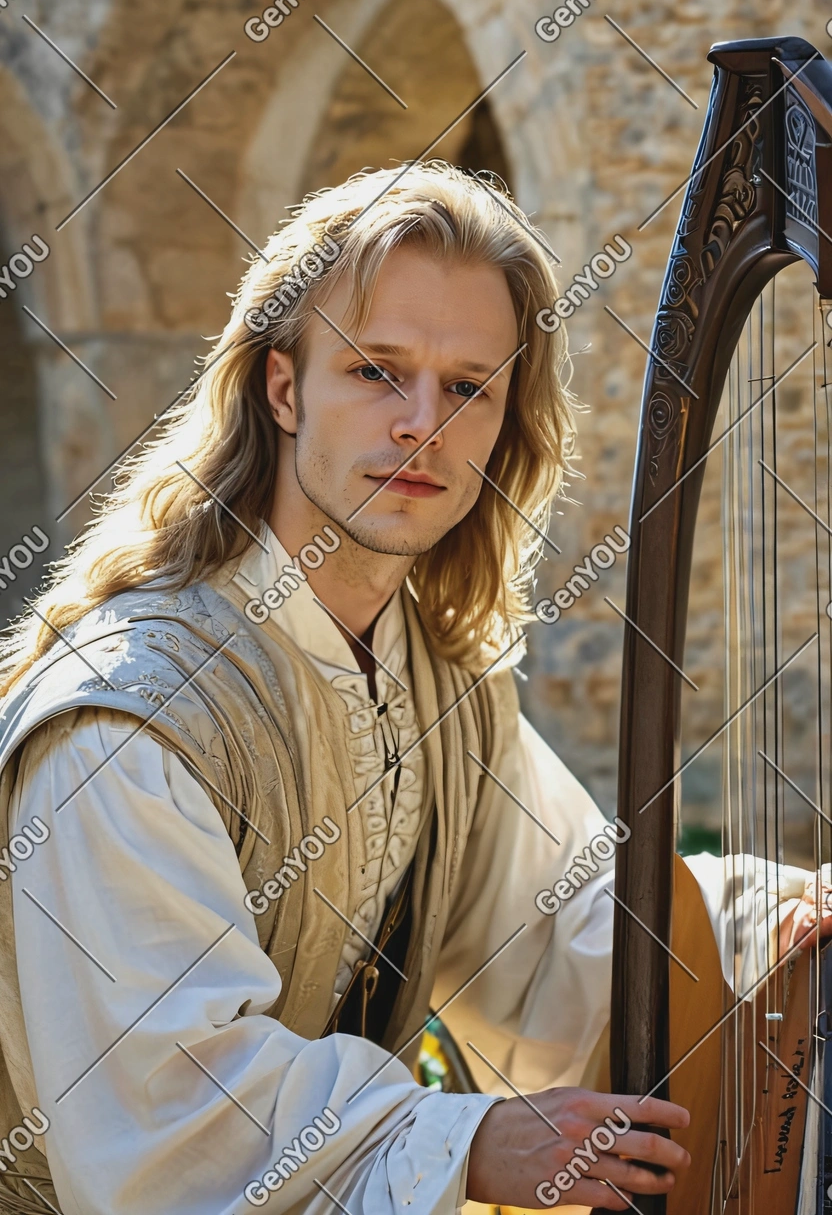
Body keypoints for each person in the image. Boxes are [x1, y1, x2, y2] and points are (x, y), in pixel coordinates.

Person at [0, 161, 826, 1215]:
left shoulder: (436, 679)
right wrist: (465, 1139)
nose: (422, 424)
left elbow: (562, 928)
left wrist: (778, 919)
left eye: (468, 386)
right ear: (283, 386)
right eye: (377, 371)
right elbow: (171, 1108)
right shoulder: (128, 723)